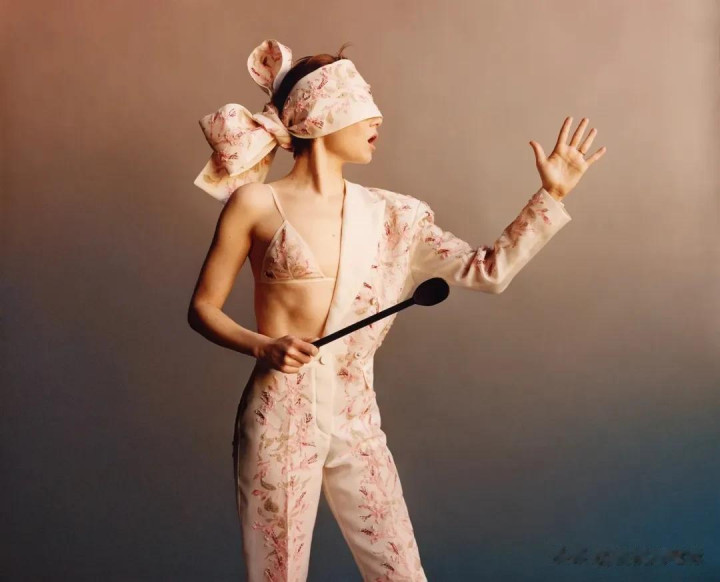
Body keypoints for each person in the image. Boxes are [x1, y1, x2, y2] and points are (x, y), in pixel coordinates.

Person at [187, 39, 605, 582]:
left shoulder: (396, 217)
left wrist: (550, 196)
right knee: (277, 574)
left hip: (357, 417)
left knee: (400, 572)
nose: (377, 117)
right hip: (279, 418)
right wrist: (262, 345)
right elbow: (203, 308)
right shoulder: (255, 203)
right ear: (319, 115)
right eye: (362, 104)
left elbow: (489, 270)